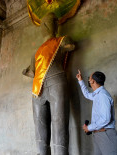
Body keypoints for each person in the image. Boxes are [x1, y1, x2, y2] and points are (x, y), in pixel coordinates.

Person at [22, 13, 75, 155]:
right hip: (37, 89)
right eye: (46, 22)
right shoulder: (36, 52)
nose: (47, 25)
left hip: (56, 82)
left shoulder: (63, 40)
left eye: (51, 22)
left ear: (55, 25)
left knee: (60, 125)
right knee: (40, 131)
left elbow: (71, 46)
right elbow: (32, 72)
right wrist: (26, 71)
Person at [76, 70, 117, 155]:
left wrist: (89, 128)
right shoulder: (97, 95)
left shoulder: (103, 95)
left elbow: (105, 119)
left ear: (93, 81)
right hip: (99, 134)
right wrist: (80, 81)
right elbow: (87, 95)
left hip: (106, 135)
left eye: (89, 78)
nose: (89, 80)